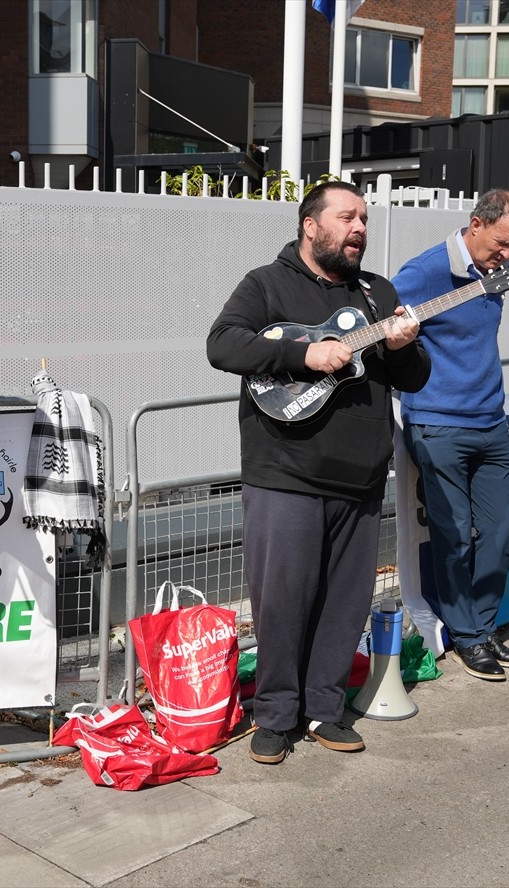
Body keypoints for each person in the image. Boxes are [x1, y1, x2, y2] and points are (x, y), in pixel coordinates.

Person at [207, 180, 431, 765]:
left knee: (345, 602)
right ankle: (276, 716)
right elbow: (224, 345)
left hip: (360, 478)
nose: (359, 228)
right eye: (346, 217)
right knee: (281, 601)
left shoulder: (379, 294)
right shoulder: (266, 284)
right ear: (310, 225)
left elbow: (414, 378)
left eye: (364, 219)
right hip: (285, 474)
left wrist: (404, 345)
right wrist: (303, 355)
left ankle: (326, 709)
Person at [392, 189, 509, 682]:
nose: (507, 255)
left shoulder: (493, 273)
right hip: (437, 423)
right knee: (453, 539)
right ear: (475, 223)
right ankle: (469, 638)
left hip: (490, 422)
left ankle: (485, 626)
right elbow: (385, 334)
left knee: (499, 534)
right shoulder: (425, 271)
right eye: (501, 242)